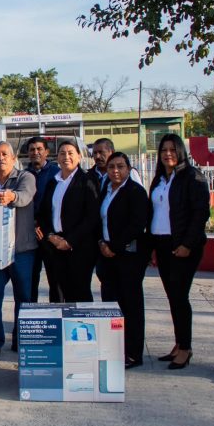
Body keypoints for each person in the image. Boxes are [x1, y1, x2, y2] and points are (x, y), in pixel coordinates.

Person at [146, 133, 210, 370]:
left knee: (180, 298)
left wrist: (187, 244)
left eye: (172, 149)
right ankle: (178, 343)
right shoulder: (160, 179)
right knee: (173, 298)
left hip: (182, 246)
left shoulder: (192, 177)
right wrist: (152, 246)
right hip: (161, 245)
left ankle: (185, 347)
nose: (168, 154)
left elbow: (200, 213)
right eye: (163, 150)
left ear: (181, 151)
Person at [0, 141, 36, 359]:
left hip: (22, 250)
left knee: (24, 297)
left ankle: (22, 340)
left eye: (4, 154)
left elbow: (25, 196)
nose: (0, 158)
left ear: (12, 158)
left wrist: (12, 197)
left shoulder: (25, 178)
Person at [97, 152, 149, 369]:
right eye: (111, 167)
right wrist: (101, 243)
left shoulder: (135, 192)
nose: (115, 171)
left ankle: (134, 353)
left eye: (120, 166)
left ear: (129, 168)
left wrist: (114, 247)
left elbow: (137, 225)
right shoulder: (106, 190)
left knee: (131, 305)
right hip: (107, 256)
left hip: (128, 256)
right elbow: (99, 220)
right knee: (111, 305)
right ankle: (115, 349)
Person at [38, 140, 100, 303]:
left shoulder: (87, 181)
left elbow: (91, 217)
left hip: (79, 247)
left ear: (79, 157)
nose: (66, 157)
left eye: (70, 153)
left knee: (79, 291)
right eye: (62, 153)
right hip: (55, 245)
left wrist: (70, 241)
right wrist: (50, 236)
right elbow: (44, 213)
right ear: (57, 158)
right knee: (57, 291)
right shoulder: (53, 182)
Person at [23, 137, 59, 302]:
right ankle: (31, 315)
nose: (35, 152)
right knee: (30, 278)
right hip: (30, 232)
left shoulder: (56, 173)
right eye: (32, 149)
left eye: (39, 149)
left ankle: (56, 313)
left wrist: (44, 227)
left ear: (47, 152)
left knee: (55, 278)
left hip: (50, 233)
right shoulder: (23, 175)